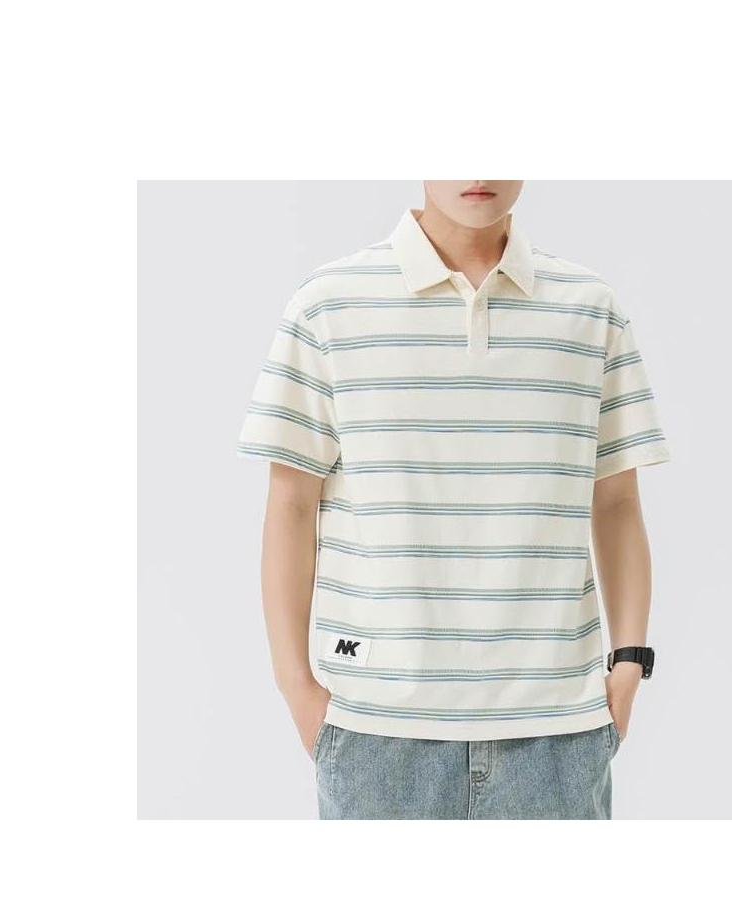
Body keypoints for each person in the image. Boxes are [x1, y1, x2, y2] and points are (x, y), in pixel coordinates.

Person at [238, 181, 670, 819]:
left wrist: (628, 663)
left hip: (557, 733)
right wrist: (295, 686)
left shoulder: (589, 309)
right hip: (377, 735)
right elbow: (291, 503)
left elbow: (616, 502)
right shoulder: (329, 305)